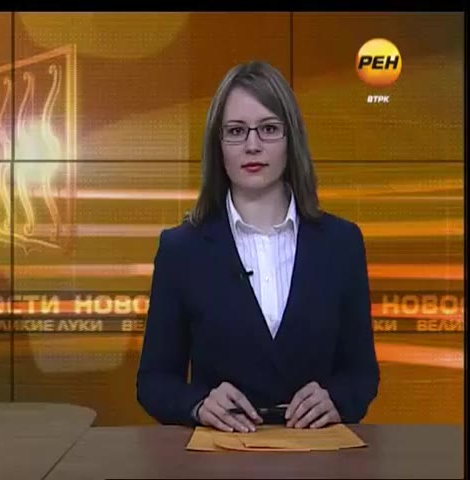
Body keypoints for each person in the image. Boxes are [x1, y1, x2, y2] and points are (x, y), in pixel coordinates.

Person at [136, 60, 379, 433]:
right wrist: (197, 404)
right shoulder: (181, 250)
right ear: (218, 145)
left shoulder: (341, 244)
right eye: (236, 131)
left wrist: (337, 399)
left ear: (290, 139)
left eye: (268, 129)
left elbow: (361, 374)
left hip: (317, 454)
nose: (253, 145)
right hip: (221, 453)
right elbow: (154, 382)